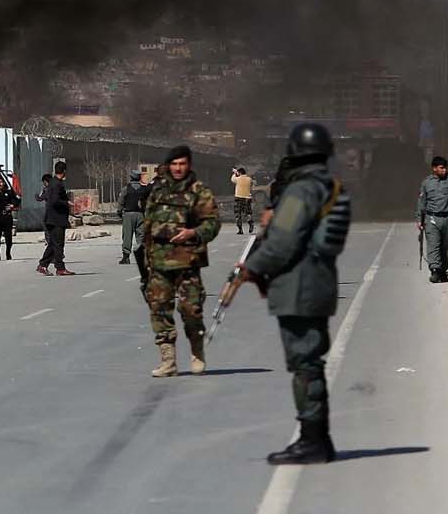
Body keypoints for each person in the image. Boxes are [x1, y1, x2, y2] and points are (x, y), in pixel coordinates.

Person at [236, 122, 351, 465]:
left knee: (304, 364)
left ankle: (312, 440)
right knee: (310, 361)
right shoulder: (333, 188)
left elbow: (283, 242)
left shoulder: (300, 192)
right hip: (320, 281)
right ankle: (319, 438)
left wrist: (252, 267)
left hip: (298, 285)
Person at [142, 147, 219, 377]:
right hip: (159, 264)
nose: (178, 168)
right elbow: (147, 224)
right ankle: (168, 361)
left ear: (189, 165)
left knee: (191, 310)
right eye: (174, 164)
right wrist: (146, 259)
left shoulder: (199, 192)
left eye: (182, 164)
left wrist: (193, 233)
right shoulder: (157, 191)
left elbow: (212, 224)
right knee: (159, 310)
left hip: (187, 263)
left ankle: (197, 351)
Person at [415, 155, 448, 283]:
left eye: (445, 168)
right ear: (434, 169)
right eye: (441, 168)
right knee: (434, 245)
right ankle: (435, 270)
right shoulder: (426, 183)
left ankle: (443, 271)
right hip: (432, 218)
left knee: (446, 248)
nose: (444, 170)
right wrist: (419, 220)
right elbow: (421, 202)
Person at [38, 163, 75, 276]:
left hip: (52, 218)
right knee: (58, 244)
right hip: (56, 219)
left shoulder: (53, 183)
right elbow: (55, 201)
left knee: (54, 244)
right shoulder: (57, 184)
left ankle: (43, 265)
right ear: (64, 171)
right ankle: (60, 268)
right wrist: (67, 203)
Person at [119, 171, 148, 264]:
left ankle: (126, 257)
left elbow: (121, 201)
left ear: (131, 177)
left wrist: (119, 212)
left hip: (128, 214)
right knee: (141, 236)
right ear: (139, 178)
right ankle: (142, 257)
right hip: (140, 214)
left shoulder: (126, 189)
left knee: (127, 235)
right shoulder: (144, 189)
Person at [0, 176, 18, 260]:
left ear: (4, 183)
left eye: (0, 182)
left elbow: (17, 200)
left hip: (7, 217)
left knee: (8, 236)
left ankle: (8, 253)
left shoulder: (9, 192)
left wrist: (13, 205)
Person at [230, 166, 255, 236]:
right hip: (247, 198)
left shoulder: (237, 179)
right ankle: (251, 224)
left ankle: (240, 230)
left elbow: (232, 179)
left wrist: (235, 173)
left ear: (240, 172)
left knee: (238, 214)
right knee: (248, 213)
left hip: (238, 198)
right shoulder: (249, 179)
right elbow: (252, 184)